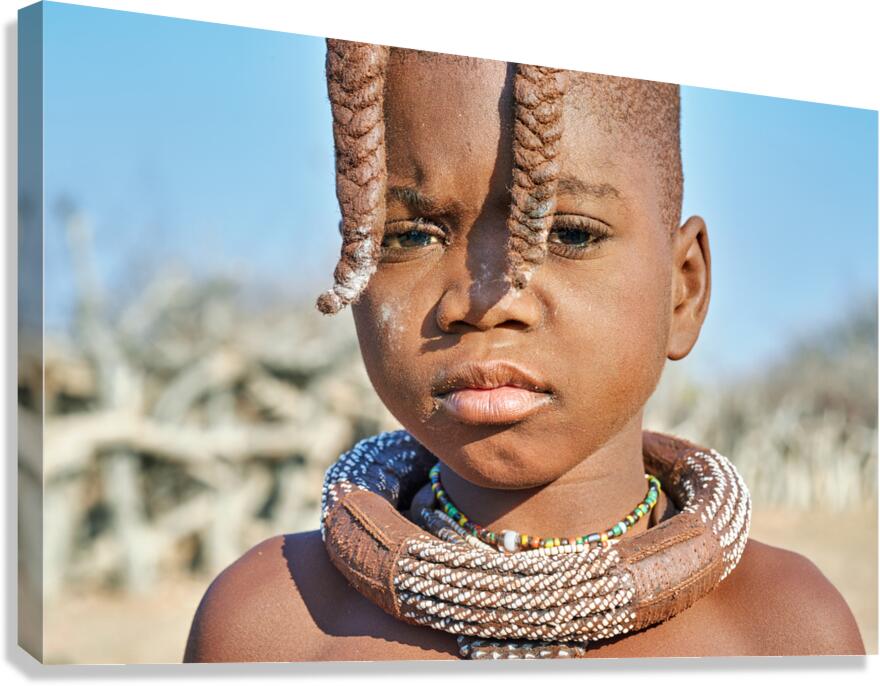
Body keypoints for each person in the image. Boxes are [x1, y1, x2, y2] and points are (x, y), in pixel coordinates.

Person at [183, 41, 865, 662]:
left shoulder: (784, 633)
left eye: (568, 233)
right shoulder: (269, 627)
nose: (484, 302)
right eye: (412, 236)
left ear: (682, 291)